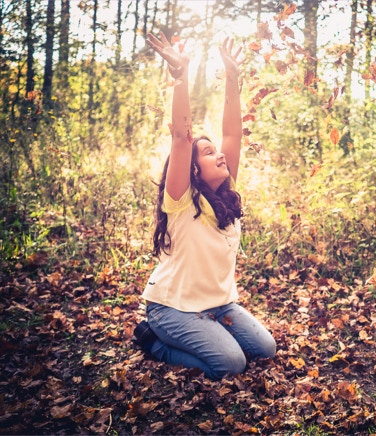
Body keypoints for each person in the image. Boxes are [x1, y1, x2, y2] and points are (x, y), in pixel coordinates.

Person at [133, 32, 276, 381]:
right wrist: (180, 76)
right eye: (209, 153)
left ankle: (207, 332)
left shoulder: (225, 195)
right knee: (231, 364)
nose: (221, 155)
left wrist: (232, 77)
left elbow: (233, 135)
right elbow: (182, 137)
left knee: (265, 349)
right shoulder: (181, 199)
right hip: (172, 308)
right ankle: (154, 342)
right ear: (193, 169)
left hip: (217, 304)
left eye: (217, 151)